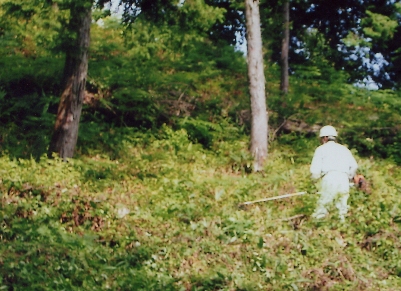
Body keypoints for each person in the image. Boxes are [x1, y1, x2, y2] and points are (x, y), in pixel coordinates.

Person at [310, 125, 358, 222]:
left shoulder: (321, 149)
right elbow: (354, 166)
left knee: (323, 206)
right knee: (342, 208)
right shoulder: (344, 149)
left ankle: (318, 228)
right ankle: (341, 230)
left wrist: (314, 184)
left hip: (329, 178)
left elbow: (315, 171)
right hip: (344, 180)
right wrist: (348, 177)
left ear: (324, 138)